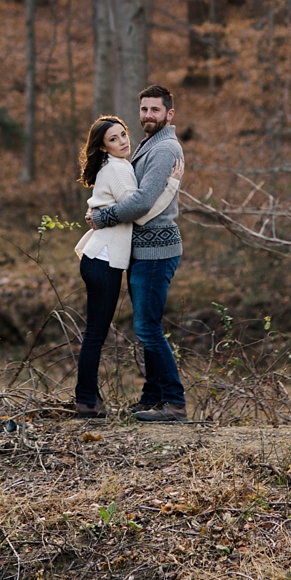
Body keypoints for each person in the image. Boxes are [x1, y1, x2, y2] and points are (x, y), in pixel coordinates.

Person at [86, 84, 187, 422]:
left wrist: (102, 216)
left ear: (169, 114)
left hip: (157, 250)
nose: (147, 116)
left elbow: (142, 204)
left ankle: (173, 402)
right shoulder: (148, 145)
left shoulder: (163, 149)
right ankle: (152, 398)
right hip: (143, 250)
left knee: (147, 328)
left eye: (155, 110)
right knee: (147, 326)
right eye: (143, 110)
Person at [72, 115, 137, 417]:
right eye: (114, 138)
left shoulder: (118, 167)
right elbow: (137, 209)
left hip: (101, 258)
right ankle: (86, 400)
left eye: (123, 134)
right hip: (103, 260)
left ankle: (88, 397)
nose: (123, 141)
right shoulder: (117, 170)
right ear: (103, 146)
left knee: (95, 333)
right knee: (96, 334)